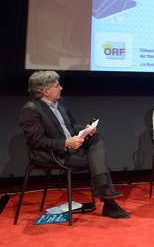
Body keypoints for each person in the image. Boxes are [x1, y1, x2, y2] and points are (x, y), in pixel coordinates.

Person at [19, 71, 130, 219]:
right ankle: (108, 201)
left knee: (97, 138)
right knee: (96, 159)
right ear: (45, 91)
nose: (61, 88)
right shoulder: (31, 110)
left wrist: (85, 130)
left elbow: (72, 125)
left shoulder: (61, 101)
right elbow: (37, 142)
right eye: (57, 86)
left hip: (72, 145)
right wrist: (65, 143)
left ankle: (104, 190)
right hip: (52, 153)